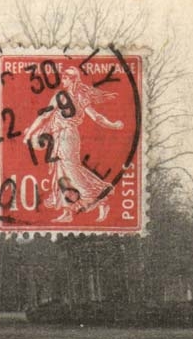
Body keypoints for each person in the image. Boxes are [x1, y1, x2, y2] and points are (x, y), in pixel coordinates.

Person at [22, 66, 123, 223]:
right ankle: (67, 211)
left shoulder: (81, 96)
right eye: (63, 77)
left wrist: (113, 125)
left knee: (72, 171)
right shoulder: (58, 96)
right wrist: (29, 134)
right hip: (57, 137)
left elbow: (95, 117)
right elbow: (44, 116)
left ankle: (101, 199)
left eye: (66, 78)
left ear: (73, 79)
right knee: (61, 173)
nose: (63, 80)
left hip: (69, 136)